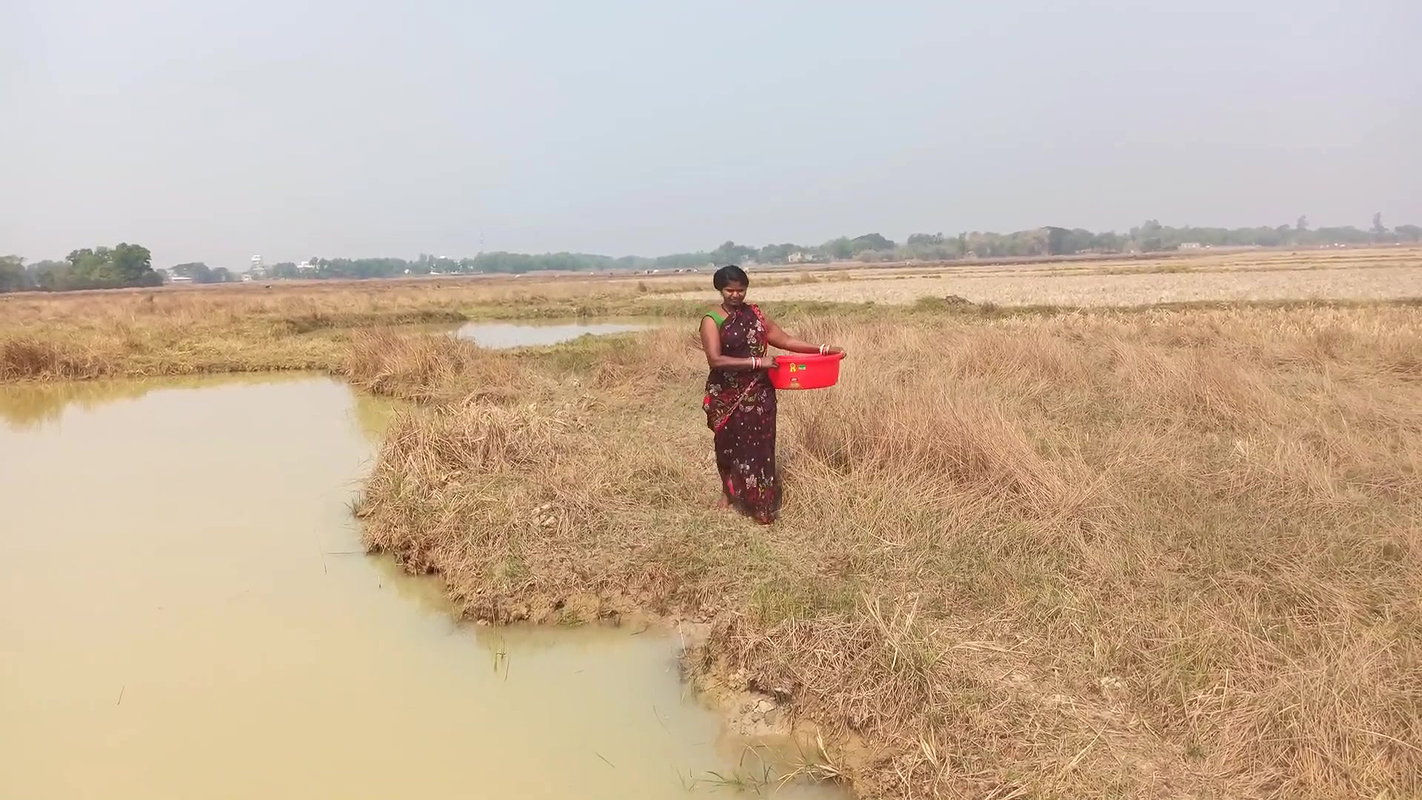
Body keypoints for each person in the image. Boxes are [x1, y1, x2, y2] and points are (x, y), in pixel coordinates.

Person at [699, 265, 844, 524]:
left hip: (759, 392)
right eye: (730, 290)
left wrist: (823, 349)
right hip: (726, 393)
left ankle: (761, 504)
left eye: (740, 290)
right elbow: (716, 360)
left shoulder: (755, 315)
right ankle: (729, 491)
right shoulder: (712, 320)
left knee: (760, 447)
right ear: (719, 290)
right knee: (728, 445)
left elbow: (786, 341)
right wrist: (758, 362)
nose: (735, 295)